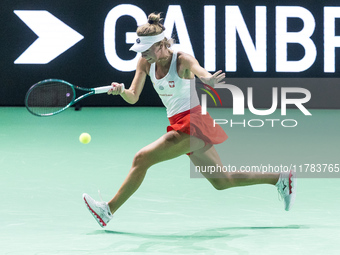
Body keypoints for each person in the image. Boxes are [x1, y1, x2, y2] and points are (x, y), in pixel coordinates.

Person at [83, 13, 296, 227]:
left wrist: (208, 79)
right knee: (222, 181)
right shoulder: (145, 63)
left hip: (193, 123)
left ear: (159, 45)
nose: (143, 55)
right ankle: (280, 178)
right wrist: (121, 91)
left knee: (142, 159)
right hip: (181, 123)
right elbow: (133, 96)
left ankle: (107, 210)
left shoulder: (182, 59)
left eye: (146, 50)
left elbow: (201, 73)